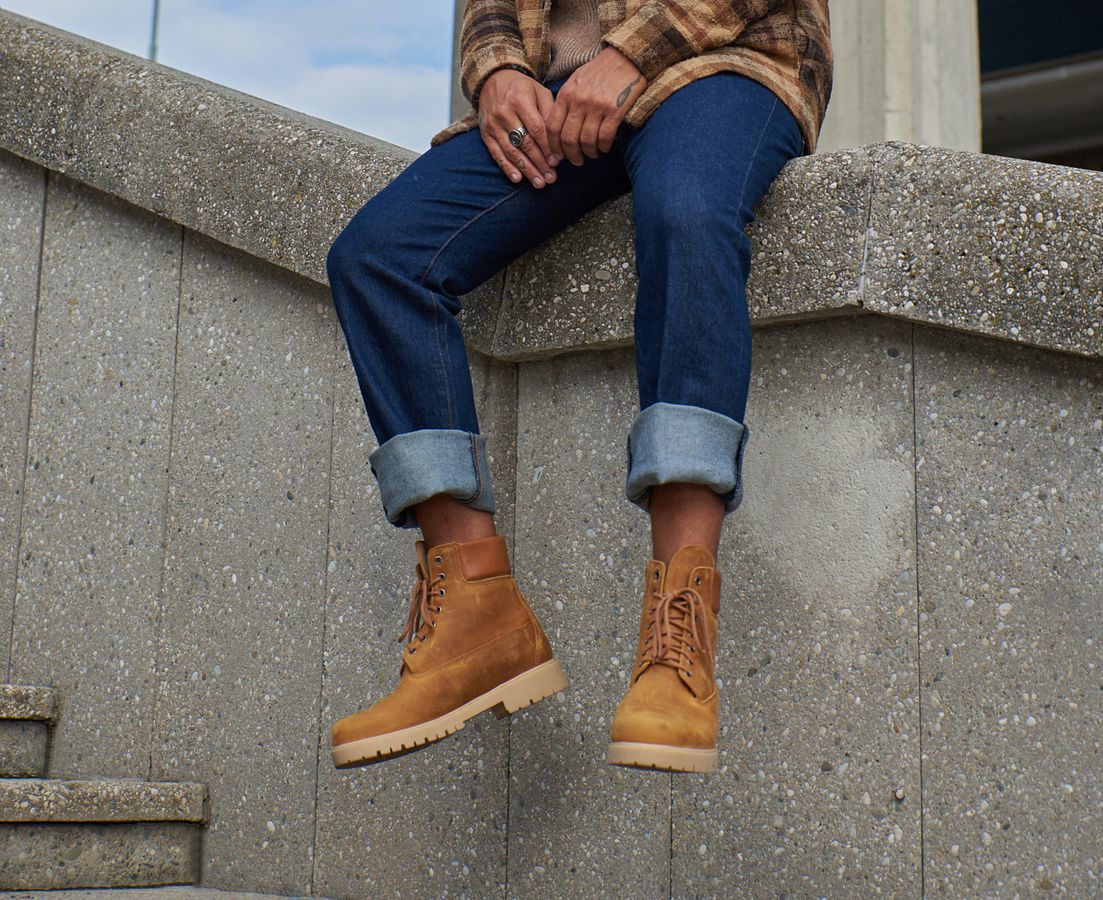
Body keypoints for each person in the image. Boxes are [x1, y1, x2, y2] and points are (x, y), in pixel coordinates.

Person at [325, 0, 832, 774]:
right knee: (378, 257)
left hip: (724, 61)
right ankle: (475, 614)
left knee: (685, 210)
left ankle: (676, 641)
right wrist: (497, 73)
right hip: (558, 101)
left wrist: (629, 56)